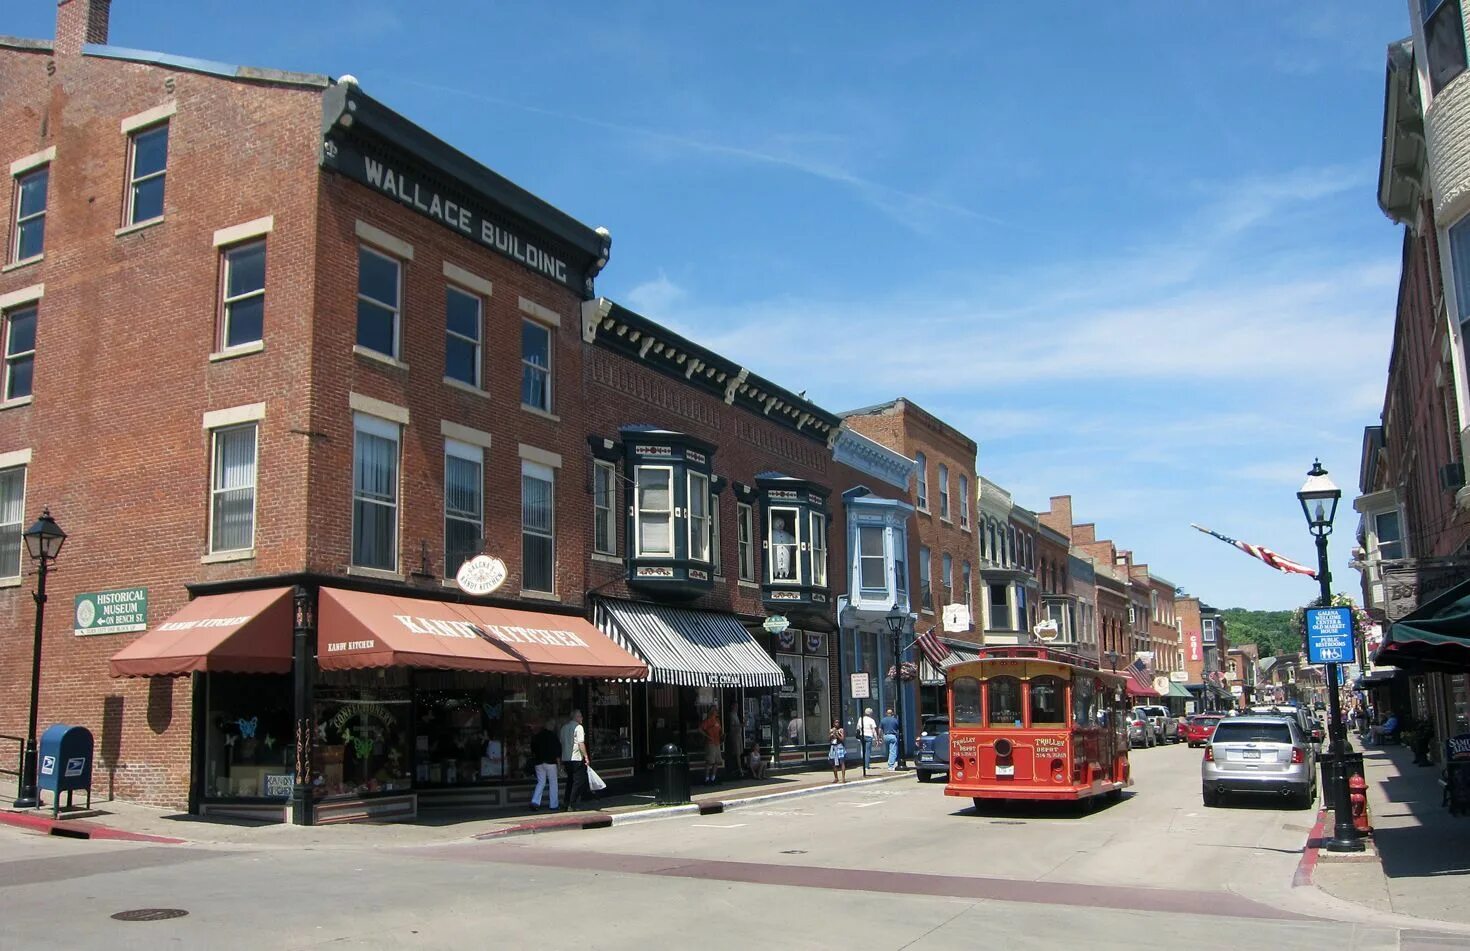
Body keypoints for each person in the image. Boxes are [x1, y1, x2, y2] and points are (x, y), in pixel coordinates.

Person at [559, 709, 590, 811]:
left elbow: (561, 742)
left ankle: (566, 802)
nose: (582, 718)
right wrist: (585, 756)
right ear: (576, 717)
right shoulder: (579, 727)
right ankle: (572, 804)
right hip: (576, 758)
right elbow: (581, 743)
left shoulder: (563, 728)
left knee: (570, 781)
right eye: (580, 716)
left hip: (566, 758)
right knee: (578, 781)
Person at [528, 719, 560, 811]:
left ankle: (535, 801)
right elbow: (557, 750)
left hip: (538, 762)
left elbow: (532, 749)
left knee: (541, 782)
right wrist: (559, 763)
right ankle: (553, 805)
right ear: (552, 726)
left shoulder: (537, 736)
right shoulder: (553, 736)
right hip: (550, 762)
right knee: (553, 783)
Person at [700, 709, 723, 784]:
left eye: (716, 711)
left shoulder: (717, 720)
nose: (716, 712)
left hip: (717, 743)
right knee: (709, 762)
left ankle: (713, 778)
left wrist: (722, 736)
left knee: (717, 761)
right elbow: (700, 729)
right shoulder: (708, 720)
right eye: (715, 710)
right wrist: (707, 736)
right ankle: (706, 779)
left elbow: (720, 730)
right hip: (710, 743)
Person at [726, 706, 744, 779]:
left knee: (739, 753)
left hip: (739, 735)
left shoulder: (736, 714)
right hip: (735, 735)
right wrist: (741, 725)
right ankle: (739, 769)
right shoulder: (731, 715)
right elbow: (732, 726)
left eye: (737, 706)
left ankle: (737, 768)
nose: (737, 708)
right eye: (735, 706)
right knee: (737, 753)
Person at [827, 719, 847, 783]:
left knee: (842, 762)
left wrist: (837, 734)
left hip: (839, 746)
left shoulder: (841, 730)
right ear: (833, 723)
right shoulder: (831, 730)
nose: (837, 723)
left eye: (838, 722)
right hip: (833, 747)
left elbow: (842, 739)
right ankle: (836, 778)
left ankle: (843, 778)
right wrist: (831, 735)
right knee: (833, 763)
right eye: (836, 722)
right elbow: (829, 739)